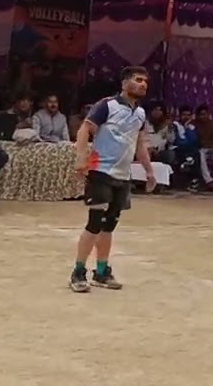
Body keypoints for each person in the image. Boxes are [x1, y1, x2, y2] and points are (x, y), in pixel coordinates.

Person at [69, 66, 156, 293]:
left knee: (109, 225)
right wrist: (81, 158)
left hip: (122, 176)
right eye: (138, 80)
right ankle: (78, 271)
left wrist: (148, 171)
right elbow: (84, 130)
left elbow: (139, 144)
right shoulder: (107, 105)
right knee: (95, 223)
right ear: (124, 83)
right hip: (100, 171)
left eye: (145, 81)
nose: (143, 84)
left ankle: (101, 270)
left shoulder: (140, 114)